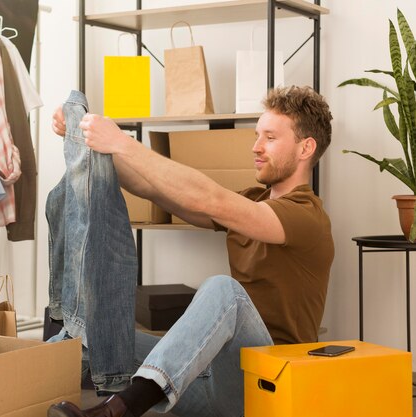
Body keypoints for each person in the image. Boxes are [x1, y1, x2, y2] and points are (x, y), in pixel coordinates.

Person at [46, 85, 334, 417]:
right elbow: (155, 190)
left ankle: (120, 410)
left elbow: (210, 199)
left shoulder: (308, 217)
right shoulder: (254, 199)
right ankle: (1, 388)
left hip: (266, 388)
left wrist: (122, 142)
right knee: (91, 337)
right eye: (257, 135)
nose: (255, 147)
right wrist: (86, 138)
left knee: (225, 291)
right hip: (212, 379)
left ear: (305, 148)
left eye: (269, 138)